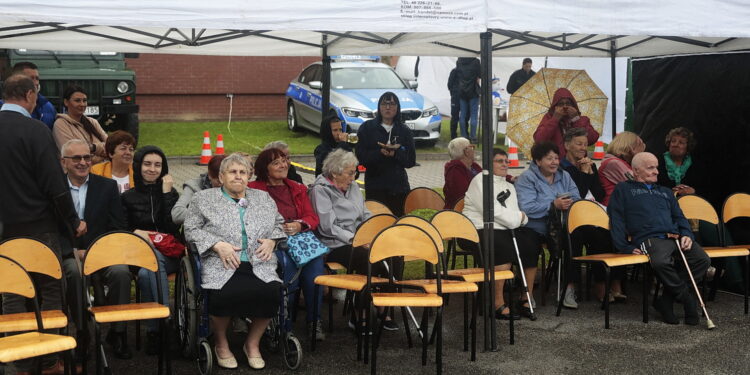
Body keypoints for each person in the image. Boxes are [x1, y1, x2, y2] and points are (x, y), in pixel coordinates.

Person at [0, 74, 84, 375]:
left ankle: (20, 362)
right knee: (50, 291)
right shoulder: (36, 130)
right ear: (29, 95)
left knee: (11, 293)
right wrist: (73, 221)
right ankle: (49, 362)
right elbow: (55, 185)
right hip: (38, 228)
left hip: (3, 232)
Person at [184, 153, 284, 370]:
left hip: (259, 260)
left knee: (271, 292)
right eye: (232, 172)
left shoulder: (263, 198)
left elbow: (279, 224)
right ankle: (221, 343)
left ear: (249, 176)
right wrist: (217, 245)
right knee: (224, 294)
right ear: (221, 177)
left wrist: (272, 241)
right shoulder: (203, 199)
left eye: (243, 172)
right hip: (221, 261)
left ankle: (252, 343)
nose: (238, 176)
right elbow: (190, 230)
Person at [609, 152, 710, 325]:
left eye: (656, 167)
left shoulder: (665, 192)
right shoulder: (623, 189)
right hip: (649, 237)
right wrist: (623, 246)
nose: (656, 171)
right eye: (650, 168)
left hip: (675, 236)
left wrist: (687, 234)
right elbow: (616, 218)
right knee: (661, 263)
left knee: (702, 260)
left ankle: (666, 300)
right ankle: (687, 300)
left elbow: (679, 217)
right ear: (636, 170)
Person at [59, 139, 132, 359]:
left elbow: (118, 226)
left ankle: (117, 333)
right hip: (69, 252)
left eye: (87, 157)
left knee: (121, 272)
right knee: (73, 272)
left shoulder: (107, 186)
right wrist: (72, 250)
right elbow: (50, 227)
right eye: (76, 158)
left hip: (101, 252)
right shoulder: (55, 189)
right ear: (64, 163)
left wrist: (97, 250)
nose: (83, 162)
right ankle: (82, 333)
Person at [308, 149, 396, 330]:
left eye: (355, 172)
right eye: (350, 173)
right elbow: (328, 227)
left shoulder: (353, 187)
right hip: (334, 244)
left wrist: (377, 230)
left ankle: (384, 305)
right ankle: (359, 313)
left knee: (392, 254)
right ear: (334, 173)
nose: (354, 176)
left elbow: (364, 213)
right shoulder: (320, 190)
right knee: (367, 259)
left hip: (360, 239)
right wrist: (356, 239)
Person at [248, 148, 326, 340]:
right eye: (276, 163)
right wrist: (277, 229)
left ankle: (314, 322)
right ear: (265, 168)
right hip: (272, 242)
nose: (283, 165)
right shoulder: (254, 189)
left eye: (285, 160)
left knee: (315, 274)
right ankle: (284, 324)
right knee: (289, 274)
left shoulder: (297, 187)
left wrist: (299, 225)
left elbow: (312, 217)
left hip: (300, 240)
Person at [463, 148, 541, 320]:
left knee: (531, 242)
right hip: (476, 229)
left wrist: (518, 219)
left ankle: (525, 298)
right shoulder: (480, 181)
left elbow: (513, 213)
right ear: (489, 164)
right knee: (502, 246)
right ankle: (496, 302)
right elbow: (492, 212)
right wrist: (518, 218)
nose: (505, 164)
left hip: (503, 228)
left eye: (507, 161)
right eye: (500, 161)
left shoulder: (508, 186)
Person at [121, 145, 181, 354]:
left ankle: (156, 331)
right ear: (138, 166)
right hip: (138, 255)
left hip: (169, 254)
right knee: (146, 271)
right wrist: (136, 231)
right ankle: (164, 326)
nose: (152, 169)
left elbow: (173, 227)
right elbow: (120, 230)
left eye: (158, 165)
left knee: (149, 273)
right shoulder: (127, 198)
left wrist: (166, 195)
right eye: (147, 164)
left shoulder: (171, 193)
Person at [559, 128, 620, 307]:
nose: (583, 148)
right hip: (570, 217)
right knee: (574, 239)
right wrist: (583, 174)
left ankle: (600, 285)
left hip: (591, 214)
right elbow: (576, 194)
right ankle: (570, 287)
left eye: (585, 144)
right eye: (579, 144)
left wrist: (590, 173)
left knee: (603, 235)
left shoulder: (590, 164)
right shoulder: (562, 167)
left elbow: (600, 194)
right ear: (567, 145)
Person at [355, 91, 416, 217]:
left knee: (398, 222)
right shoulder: (367, 128)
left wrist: (395, 154)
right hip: (375, 185)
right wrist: (379, 153)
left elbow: (410, 161)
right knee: (378, 221)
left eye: (392, 104)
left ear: (398, 108)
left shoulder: (404, 130)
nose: (388, 107)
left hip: (398, 187)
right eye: (384, 104)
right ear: (379, 107)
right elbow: (361, 156)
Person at [516, 141, 581, 237]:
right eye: (549, 159)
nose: (554, 162)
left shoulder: (564, 176)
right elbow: (527, 208)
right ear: (538, 161)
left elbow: (577, 198)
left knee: (588, 232)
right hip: (537, 229)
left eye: (556, 158)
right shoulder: (527, 178)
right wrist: (553, 205)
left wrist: (569, 203)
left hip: (565, 225)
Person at [533, 88, 599, 159]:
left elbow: (592, 139)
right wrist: (555, 119)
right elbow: (539, 139)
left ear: (573, 105)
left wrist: (576, 120)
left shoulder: (582, 119)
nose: (565, 106)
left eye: (568, 103)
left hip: (577, 164)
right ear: (555, 106)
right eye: (561, 104)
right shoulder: (548, 118)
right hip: (556, 164)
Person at [53, 85, 108, 164]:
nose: (82, 104)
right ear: (66, 102)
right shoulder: (60, 125)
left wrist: (93, 147)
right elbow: (74, 155)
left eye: (84, 100)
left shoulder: (93, 122)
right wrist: (102, 155)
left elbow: (111, 147)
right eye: (77, 100)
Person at [172, 154, 226, 225]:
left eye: (227, 180)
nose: (223, 184)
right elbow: (177, 213)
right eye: (218, 181)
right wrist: (210, 214)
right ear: (209, 175)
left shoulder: (239, 187)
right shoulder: (194, 186)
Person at [0, 61, 57, 129]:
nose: (36, 82)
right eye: (31, 78)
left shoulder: (47, 106)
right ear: (16, 79)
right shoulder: (2, 106)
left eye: (37, 78)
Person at [598, 131, 646, 206]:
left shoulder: (623, 162)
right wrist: (639, 157)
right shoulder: (614, 163)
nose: (643, 148)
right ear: (631, 147)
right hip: (615, 208)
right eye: (640, 145)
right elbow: (640, 184)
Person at [657, 127, 699, 197]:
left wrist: (693, 191)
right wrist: (670, 192)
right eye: (673, 141)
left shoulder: (696, 165)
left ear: (688, 147)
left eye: (681, 142)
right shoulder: (657, 162)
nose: (675, 145)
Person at [443, 137, 481, 209]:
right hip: (461, 212)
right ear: (466, 151)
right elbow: (463, 197)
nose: (474, 150)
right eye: (471, 147)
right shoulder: (454, 171)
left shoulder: (473, 166)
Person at [456, 57, 481, 142]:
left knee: (462, 114)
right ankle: (473, 137)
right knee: (474, 115)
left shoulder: (459, 61)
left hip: (462, 91)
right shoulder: (476, 61)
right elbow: (481, 74)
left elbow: (458, 75)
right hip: (473, 91)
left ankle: (464, 136)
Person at [447, 60, 469, 140]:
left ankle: (453, 135)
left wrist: (452, 92)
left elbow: (449, 84)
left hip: (456, 97)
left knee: (455, 117)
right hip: (463, 97)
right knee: (464, 116)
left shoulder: (454, 71)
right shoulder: (465, 72)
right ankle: (464, 134)